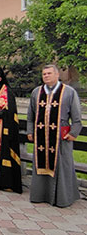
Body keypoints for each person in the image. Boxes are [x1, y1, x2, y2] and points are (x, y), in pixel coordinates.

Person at [27, 64, 83, 207]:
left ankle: (62, 198)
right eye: (44, 74)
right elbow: (30, 115)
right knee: (40, 164)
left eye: (49, 73)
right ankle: (40, 195)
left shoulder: (69, 92)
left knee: (61, 166)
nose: (46, 76)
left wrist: (73, 133)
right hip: (41, 137)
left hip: (60, 137)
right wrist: (30, 131)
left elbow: (76, 117)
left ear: (57, 75)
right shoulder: (36, 92)